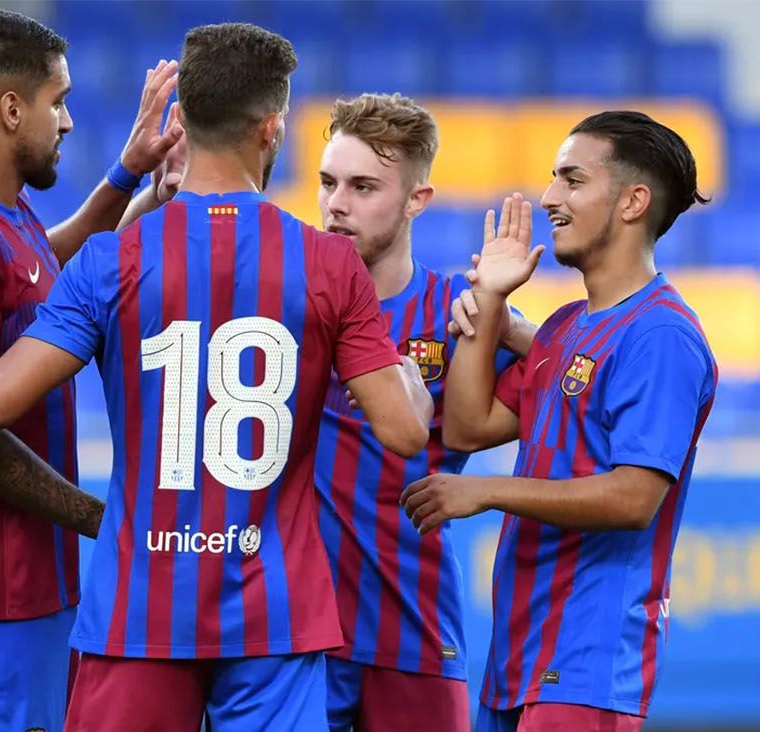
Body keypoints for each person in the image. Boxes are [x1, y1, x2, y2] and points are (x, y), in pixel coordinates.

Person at [0, 22, 435, 732]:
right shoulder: (329, 266)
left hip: (143, 605)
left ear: (185, 121)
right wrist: (407, 369)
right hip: (275, 609)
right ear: (272, 129)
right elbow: (406, 430)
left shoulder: (112, 264)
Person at [0, 8, 182, 731]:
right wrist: (103, 520)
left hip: (27, 583)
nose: (69, 122)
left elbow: (45, 268)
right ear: (12, 110)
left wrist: (130, 178)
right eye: (59, 101)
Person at [402, 111, 718, 731]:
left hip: (589, 661)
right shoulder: (567, 325)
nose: (549, 197)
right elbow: (468, 428)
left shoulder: (661, 335)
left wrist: (486, 490)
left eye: (572, 179)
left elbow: (633, 498)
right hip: (521, 650)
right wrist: (490, 302)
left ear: (632, 201)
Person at [310, 92, 534, 731]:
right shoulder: (286, 304)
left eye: (363, 186)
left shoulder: (457, 314)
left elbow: (585, 385)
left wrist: (511, 327)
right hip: (299, 631)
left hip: (416, 622)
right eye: (328, 182)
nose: (337, 204)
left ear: (417, 199)